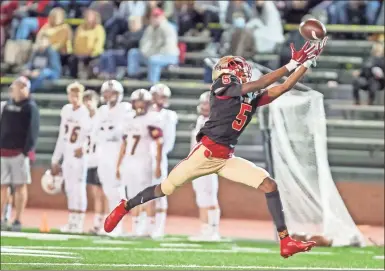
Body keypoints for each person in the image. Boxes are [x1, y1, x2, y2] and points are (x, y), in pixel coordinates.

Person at [105, 36, 328, 258]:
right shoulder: (222, 86)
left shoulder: (249, 95)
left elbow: (285, 87)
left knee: (269, 185)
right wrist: (290, 64)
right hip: (205, 153)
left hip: (226, 158)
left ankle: (286, 241)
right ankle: (125, 206)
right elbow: (259, 84)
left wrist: (306, 63)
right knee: (166, 188)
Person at [116, 89, 163, 237]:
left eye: (143, 102)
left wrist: (158, 164)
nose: (140, 105)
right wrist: (119, 164)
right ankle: (137, 227)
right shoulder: (128, 119)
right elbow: (124, 144)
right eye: (138, 101)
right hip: (130, 161)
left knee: (147, 195)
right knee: (132, 196)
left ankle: (149, 227)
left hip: (144, 161)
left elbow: (159, 142)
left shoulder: (152, 118)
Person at [0, 76, 39, 231]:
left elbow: (33, 130)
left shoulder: (30, 107)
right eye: (18, 86)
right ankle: (3, 217)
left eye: (23, 87)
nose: (20, 89)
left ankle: (17, 219)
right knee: (3, 186)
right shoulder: (6, 106)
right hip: (3, 151)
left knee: (20, 185)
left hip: (18, 152)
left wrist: (27, 150)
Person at [51, 82, 91, 233]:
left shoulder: (85, 112)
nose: (74, 98)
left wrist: (85, 147)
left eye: (77, 95)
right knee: (68, 187)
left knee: (78, 188)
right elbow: (62, 135)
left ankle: (79, 222)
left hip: (79, 155)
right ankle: (72, 220)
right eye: (71, 95)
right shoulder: (66, 110)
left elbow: (91, 134)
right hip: (67, 152)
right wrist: (56, 158)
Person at [93, 80, 131, 236]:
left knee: (117, 190)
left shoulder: (125, 108)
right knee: (108, 190)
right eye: (107, 93)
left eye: (112, 93)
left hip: (118, 152)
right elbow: (95, 132)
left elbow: (122, 132)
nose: (109, 96)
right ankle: (111, 224)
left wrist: (107, 135)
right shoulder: (101, 110)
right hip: (103, 152)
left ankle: (118, 227)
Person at [189, 91, 221, 242]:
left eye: (207, 103)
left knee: (209, 197)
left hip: (207, 163)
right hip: (198, 164)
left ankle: (212, 230)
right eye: (203, 103)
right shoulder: (201, 120)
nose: (204, 106)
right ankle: (206, 228)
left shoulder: (215, 121)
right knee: (202, 197)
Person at [148, 83, 178, 239]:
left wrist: (158, 157)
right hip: (143, 158)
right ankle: (147, 225)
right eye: (160, 96)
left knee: (159, 192)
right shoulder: (146, 113)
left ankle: (159, 227)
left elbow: (169, 142)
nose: (163, 99)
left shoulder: (169, 115)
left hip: (159, 157)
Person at [127, 8, 179, 84]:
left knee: (153, 60)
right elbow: (143, 44)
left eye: (157, 16)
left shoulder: (168, 28)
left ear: (162, 17)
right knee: (133, 53)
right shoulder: (149, 28)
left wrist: (153, 54)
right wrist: (146, 53)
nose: (155, 19)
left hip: (169, 56)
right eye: (154, 17)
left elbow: (169, 48)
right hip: (151, 54)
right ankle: (133, 76)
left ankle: (152, 84)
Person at [83, 90, 109, 234]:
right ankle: (97, 223)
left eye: (90, 99)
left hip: (101, 159)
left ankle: (106, 223)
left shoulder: (101, 116)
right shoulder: (84, 118)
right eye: (85, 100)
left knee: (104, 192)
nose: (87, 103)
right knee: (95, 193)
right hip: (90, 160)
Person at [69, 8, 106, 79]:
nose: (87, 18)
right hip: (80, 54)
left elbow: (99, 44)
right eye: (86, 16)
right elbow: (76, 42)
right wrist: (78, 52)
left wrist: (92, 53)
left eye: (89, 16)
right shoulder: (80, 28)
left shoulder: (99, 29)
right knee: (72, 59)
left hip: (93, 54)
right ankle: (74, 78)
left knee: (94, 61)